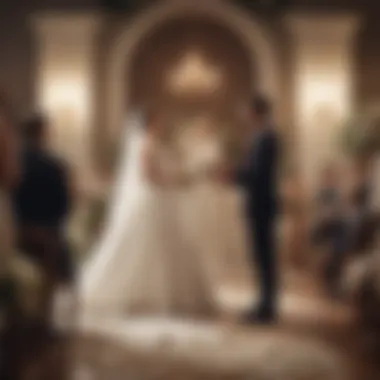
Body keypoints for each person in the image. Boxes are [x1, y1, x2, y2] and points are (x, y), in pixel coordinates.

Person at [79, 109, 217, 318]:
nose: (161, 124)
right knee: (147, 244)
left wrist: (171, 180)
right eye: (157, 120)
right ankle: (142, 293)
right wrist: (170, 183)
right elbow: (147, 174)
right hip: (152, 199)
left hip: (160, 198)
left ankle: (166, 293)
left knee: (167, 246)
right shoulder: (146, 142)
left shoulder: (150, 141)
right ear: (150, 122)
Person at [220, 95, 279, 323]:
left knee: (265, 256)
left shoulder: (268, 137)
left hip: (262, 203)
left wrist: (231, 175)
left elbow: (258, 174)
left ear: (256, 112)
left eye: (246, 111)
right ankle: (263, 303)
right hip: (257, 202)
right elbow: (251, 169)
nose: (243, 116)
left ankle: (267, 308)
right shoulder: (258, 137)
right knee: (259, 255)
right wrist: (234, 173)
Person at [12, 114, 73, 330]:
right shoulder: (55, 165)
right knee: (54, 268)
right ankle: (43, 319)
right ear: (43, 134)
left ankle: (17, 316)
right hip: (47, 233)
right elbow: (64, 205)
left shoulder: (14, 163)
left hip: (16, 231)